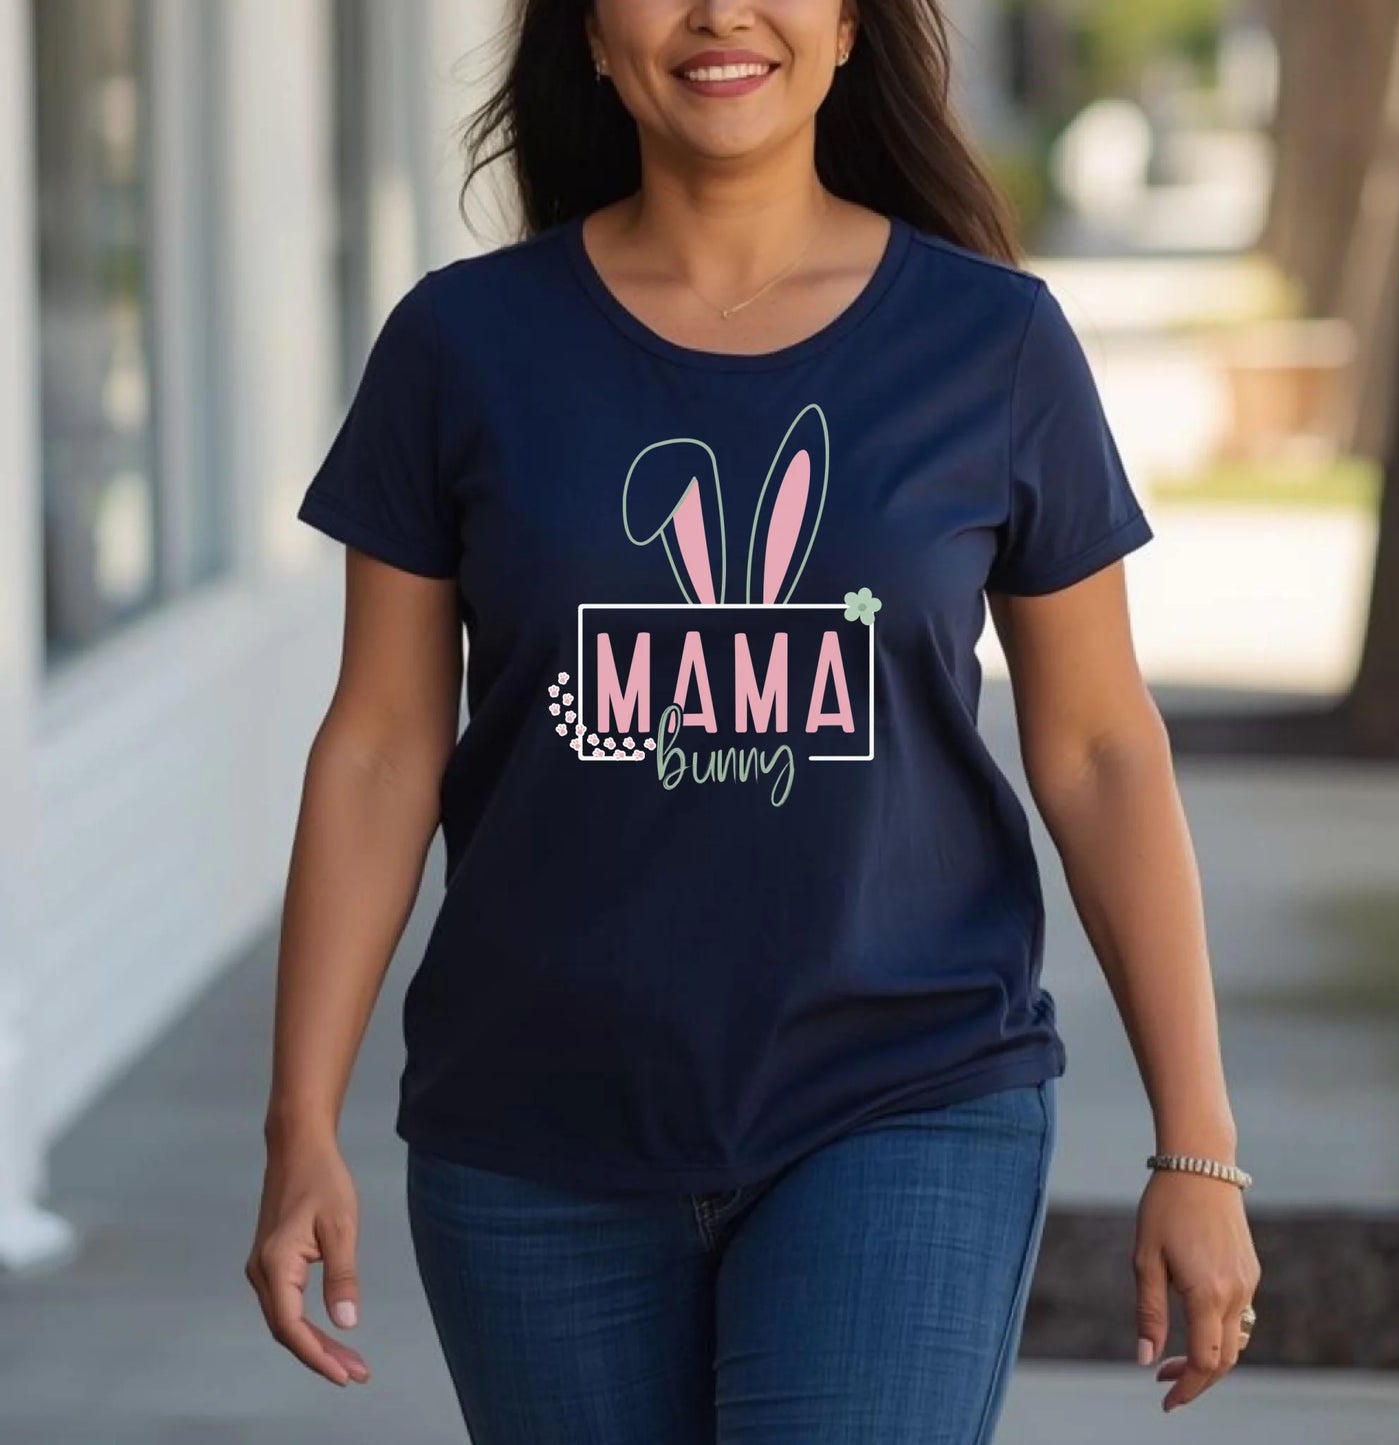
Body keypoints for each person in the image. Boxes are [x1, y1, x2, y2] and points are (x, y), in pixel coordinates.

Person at [244, 2, 1263, 1440]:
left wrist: (1197, 1147)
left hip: (901, 1096)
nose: (720, 11)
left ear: (847, 26)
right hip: (535, 1134)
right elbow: (376, 748)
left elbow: (1099, 748)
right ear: (594, 36)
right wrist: (301, 1118)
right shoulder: (460, 346)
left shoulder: (991, 342)